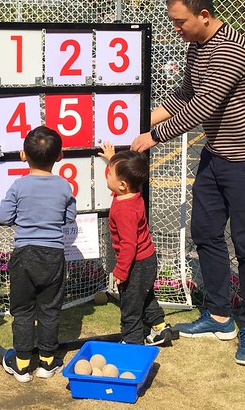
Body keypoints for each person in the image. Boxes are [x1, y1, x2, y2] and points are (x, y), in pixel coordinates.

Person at [131, 0, 245, 367]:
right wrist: (142, 119)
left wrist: (153, 136)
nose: (175, 30)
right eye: (172, 22)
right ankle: (218, 316)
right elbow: (183, 96)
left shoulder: (230, 48)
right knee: (206, 232)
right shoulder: (197, 47)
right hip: (217, 156)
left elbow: (204, 109)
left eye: (180, 22)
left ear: (204, 15)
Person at [0, 126, 78, 382]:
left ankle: (21, 364)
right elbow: (70, 216)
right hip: (53, 254)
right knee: (50, 309)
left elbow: (3, 216)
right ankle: (46, 361)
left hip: (24, 254)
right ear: (59, 156)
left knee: (23, 310)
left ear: (23, 155)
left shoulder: (19, 186)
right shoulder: (64, 186)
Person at [99, 143, 175, 346]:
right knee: (145, 295)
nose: (107, 175)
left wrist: (121, 272)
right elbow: (122, 176)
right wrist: (112, 159)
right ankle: (159, 328)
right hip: (147, 259)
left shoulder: (125, 210)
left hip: (135, 264)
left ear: (122, 184)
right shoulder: (132, 194)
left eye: (110, 173)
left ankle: (132, 342)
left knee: (131, 305)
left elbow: (128, 245)